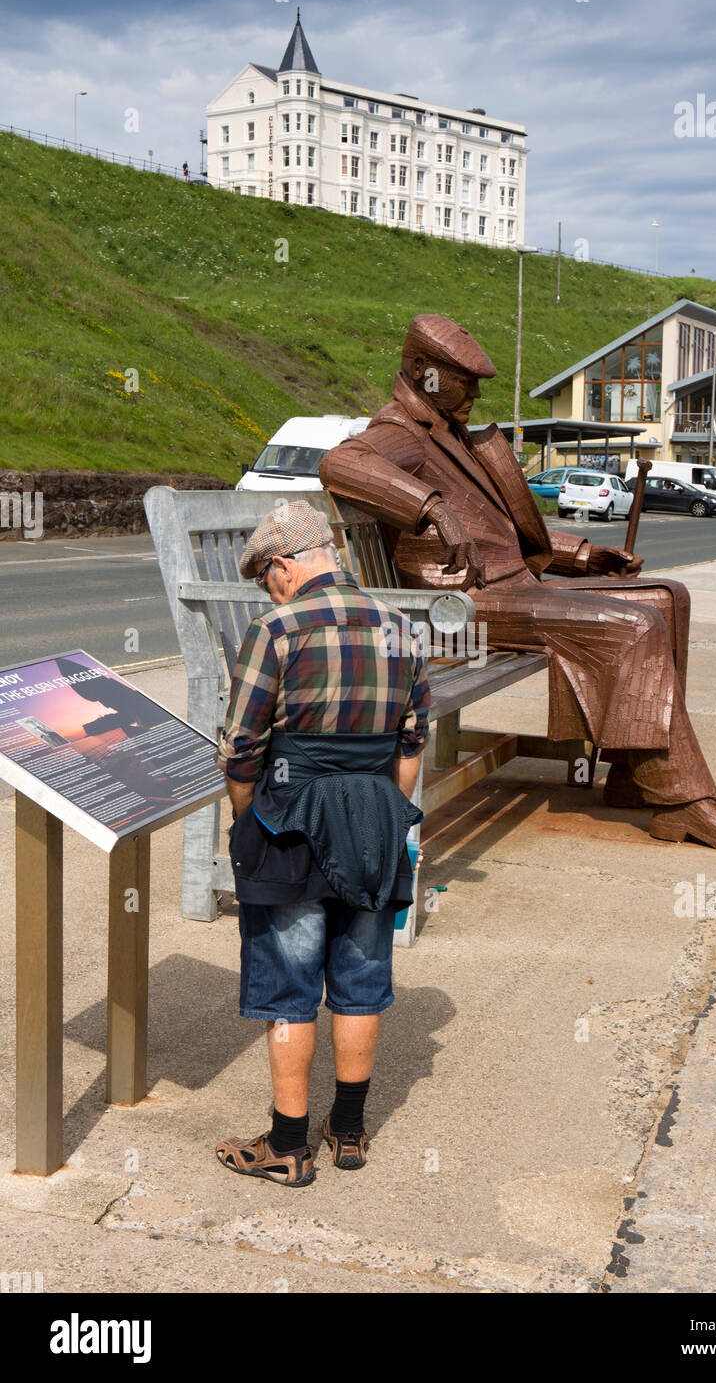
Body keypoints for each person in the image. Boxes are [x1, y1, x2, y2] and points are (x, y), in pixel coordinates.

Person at [319, 314, 716, 854]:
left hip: (513, 589)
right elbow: (342, 462)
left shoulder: (449, 434)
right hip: (460, 607)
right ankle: (684, 802)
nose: (477, 392)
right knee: (631, 624)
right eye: (465, 379)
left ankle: (635, 770)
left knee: (666, 596)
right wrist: (430, 507)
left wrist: (585, 555)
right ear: (423, 371)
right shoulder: (401, 433)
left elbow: (502, 534)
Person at [215, 501, 430, 1186]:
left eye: (264, 576)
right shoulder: (401, 629)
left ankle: (286, 1146)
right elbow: (411, 745)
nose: (267, 590)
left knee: (289, 987)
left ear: (283, 564)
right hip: (375, 816)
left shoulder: (274, 630)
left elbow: (240, 747)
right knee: (361, 979)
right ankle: (349, 1128)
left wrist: (248, 818)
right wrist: (392, 819)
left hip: (292, 818)